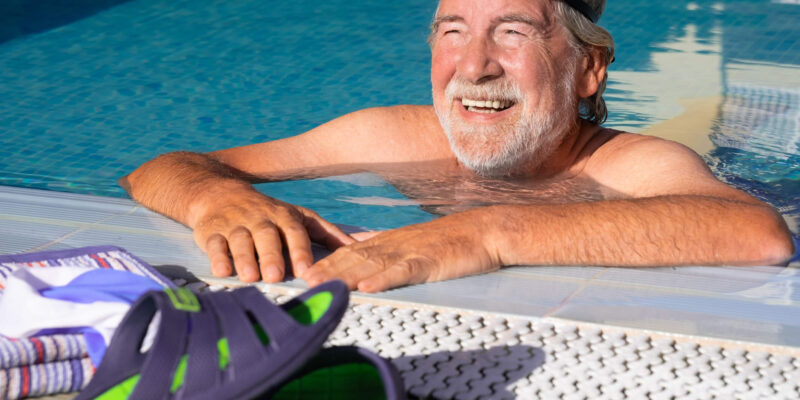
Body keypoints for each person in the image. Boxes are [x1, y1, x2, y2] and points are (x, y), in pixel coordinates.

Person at [120, 0, 795, 293]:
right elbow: (162, 168)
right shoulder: (395, 138)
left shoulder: (630, 165)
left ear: (588, 69)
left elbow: (756, 230)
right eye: (452, 32)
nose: (473, 68)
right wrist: (214, 198)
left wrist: (487, 234)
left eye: (512, 33)